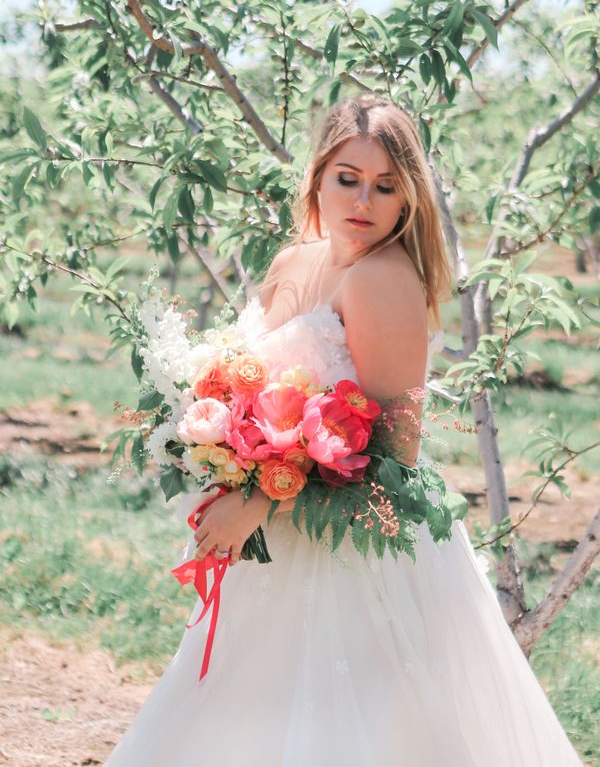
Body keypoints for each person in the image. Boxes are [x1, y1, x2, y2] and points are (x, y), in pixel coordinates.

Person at [106, 95, 583, 766]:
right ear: (319, 176)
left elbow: (396, 448)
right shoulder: (293, 261)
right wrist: (219, 443)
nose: (365, 200)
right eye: (347, 178)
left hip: (358, 544)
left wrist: (262, 494)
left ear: (407, 197)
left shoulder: (385, 279)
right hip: (274, 541)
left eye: (386, 186)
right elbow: (250, 380)